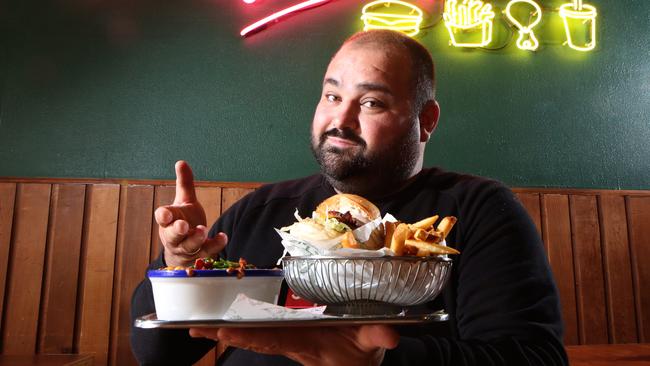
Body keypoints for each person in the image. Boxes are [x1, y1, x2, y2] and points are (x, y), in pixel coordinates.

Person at [131, 30, 568, 365]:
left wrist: (377, 360)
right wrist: (181, 267)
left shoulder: (477, 209)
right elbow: (158, 355)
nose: (341, 118)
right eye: (332, 95)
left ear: (426, 121)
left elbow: (534, 357)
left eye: (372, 102)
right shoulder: (262, 210)